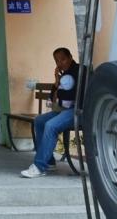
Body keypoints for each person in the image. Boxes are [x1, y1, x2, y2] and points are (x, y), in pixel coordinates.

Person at [20, 47, 82, 179]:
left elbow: (72, 94)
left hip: (79, 110)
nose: (60, 63)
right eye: (57, 61)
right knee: (40, 121)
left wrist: (59, 92)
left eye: (63, 59)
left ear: (71, 57)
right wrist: (56, 80)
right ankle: (49, 161)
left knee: (51, 126)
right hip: (64, 110)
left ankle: (39, 166)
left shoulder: (79, 71)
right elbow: (53, 96)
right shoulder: (63, 74)